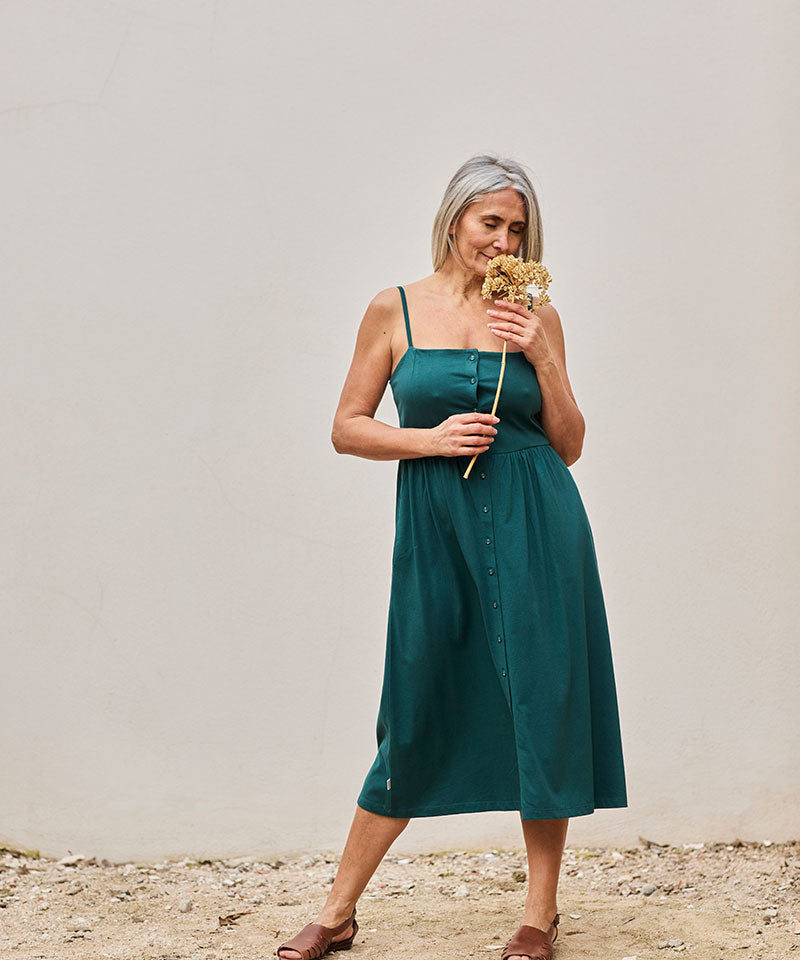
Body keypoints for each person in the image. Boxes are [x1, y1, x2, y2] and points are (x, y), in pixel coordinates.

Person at [276, 154, 628, 960]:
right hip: (440, 529)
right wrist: (427, 441)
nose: (502, 241)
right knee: (417, 701)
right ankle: (337, 911)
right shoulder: (392, 309)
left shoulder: (538, 313)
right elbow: (347, 426)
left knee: (544, 701)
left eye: (517, 229)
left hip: (539, 521)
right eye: (490, 223)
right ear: (455, 219)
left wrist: (541, 354)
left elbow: (568, 444)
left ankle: (538, 917)